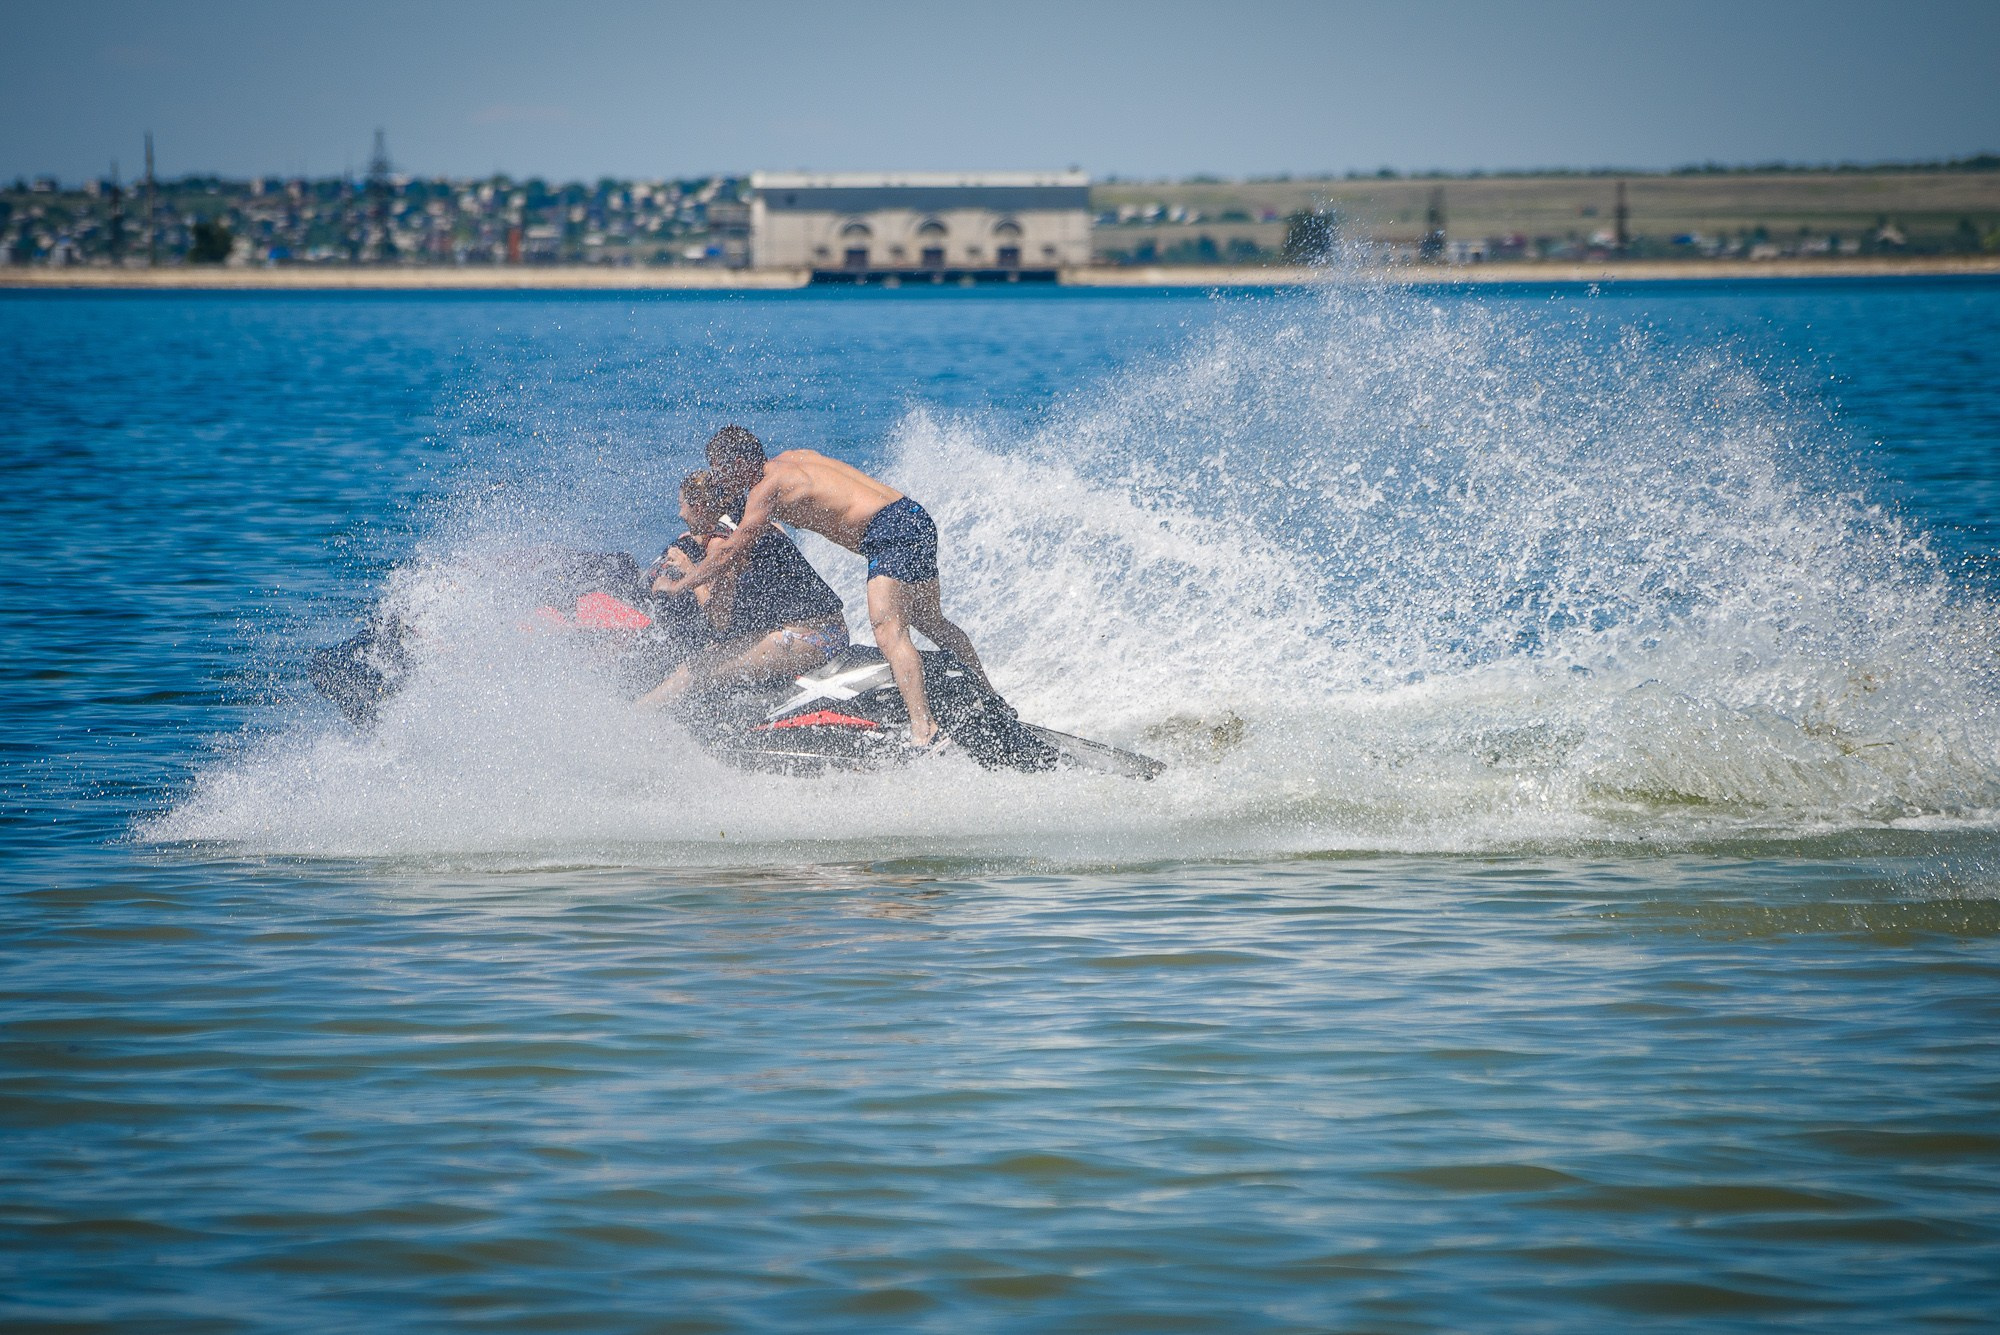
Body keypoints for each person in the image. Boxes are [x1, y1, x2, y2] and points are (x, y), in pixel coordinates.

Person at [654, 426, 987, 749]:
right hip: (912, 516)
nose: (719, 481)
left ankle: (924, 729)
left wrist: (680, 584)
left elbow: (729, 550)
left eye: (720, 471)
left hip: (887, 534)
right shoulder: (794, 459)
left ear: (739, 463)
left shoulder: (766, 489)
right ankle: (986, 696)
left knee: (888, 630)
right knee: (931, 622)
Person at [637, 469, 849, 707]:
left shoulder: (720, 544)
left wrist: (689, 571)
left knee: (694, 672)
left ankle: (634, 720)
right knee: (719, 652)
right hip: (829, 628)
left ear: (698, 508)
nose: (680, 513)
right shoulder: (749, 520)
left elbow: (719, 619)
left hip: (812, 638)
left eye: (682, 505)